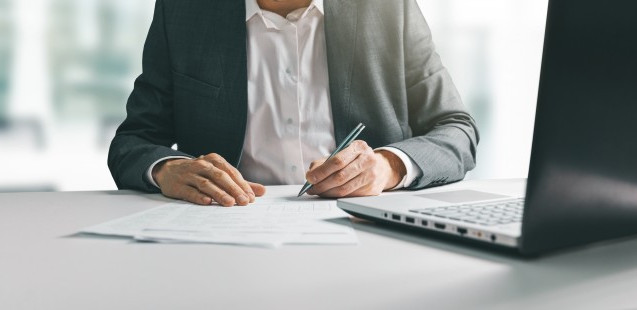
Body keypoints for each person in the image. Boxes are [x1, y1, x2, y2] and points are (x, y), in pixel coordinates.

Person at [108, 0, 479, 207]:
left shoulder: (387, 7)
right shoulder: (186, 11)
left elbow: (457, 131)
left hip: (367, 234)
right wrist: (167, 169)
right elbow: (132, 142)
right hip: (221, 238)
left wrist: (387, 167)